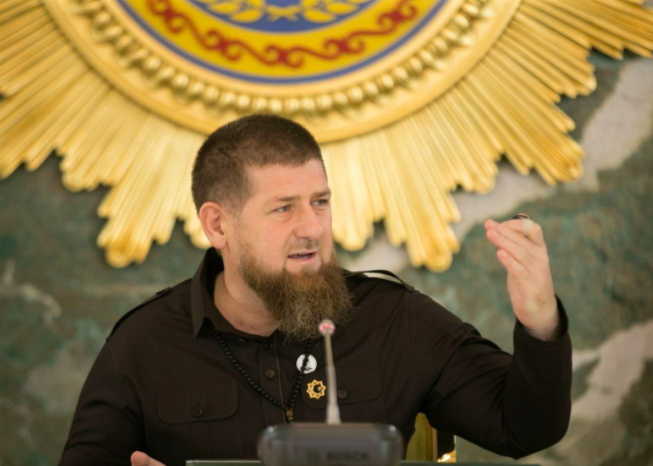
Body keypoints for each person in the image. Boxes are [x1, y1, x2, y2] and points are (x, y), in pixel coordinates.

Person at [59, 115, 571, 466]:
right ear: (218, 226)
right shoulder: (143, 344)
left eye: (320, 202)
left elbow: (524, 429)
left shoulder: (396, 319)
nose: (312, 228)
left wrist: (540, 321)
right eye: (283, 208)